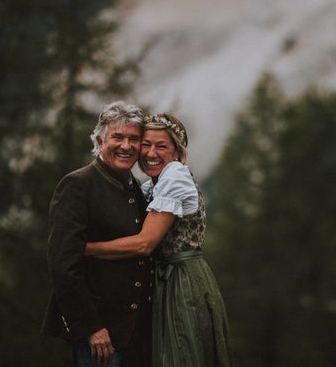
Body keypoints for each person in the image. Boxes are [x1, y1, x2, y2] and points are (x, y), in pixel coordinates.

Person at [85, 113, 233, 367]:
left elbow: (145, 243)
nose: (151, 153)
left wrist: (86, 248)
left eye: (161, 146)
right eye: (146, 144)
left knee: (182, 355)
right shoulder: (152, 185)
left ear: (176, 152)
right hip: (165, 281)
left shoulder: (175, 175)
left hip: (182, 281)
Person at [42, 101, 152, 367]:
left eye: (134, 139)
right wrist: (92, 328)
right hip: (100, 336)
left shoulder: (134, 187)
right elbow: (63, 266)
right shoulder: (77, 185)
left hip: (134, 333)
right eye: (118, 137)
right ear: (100, 141)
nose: (126, 146)